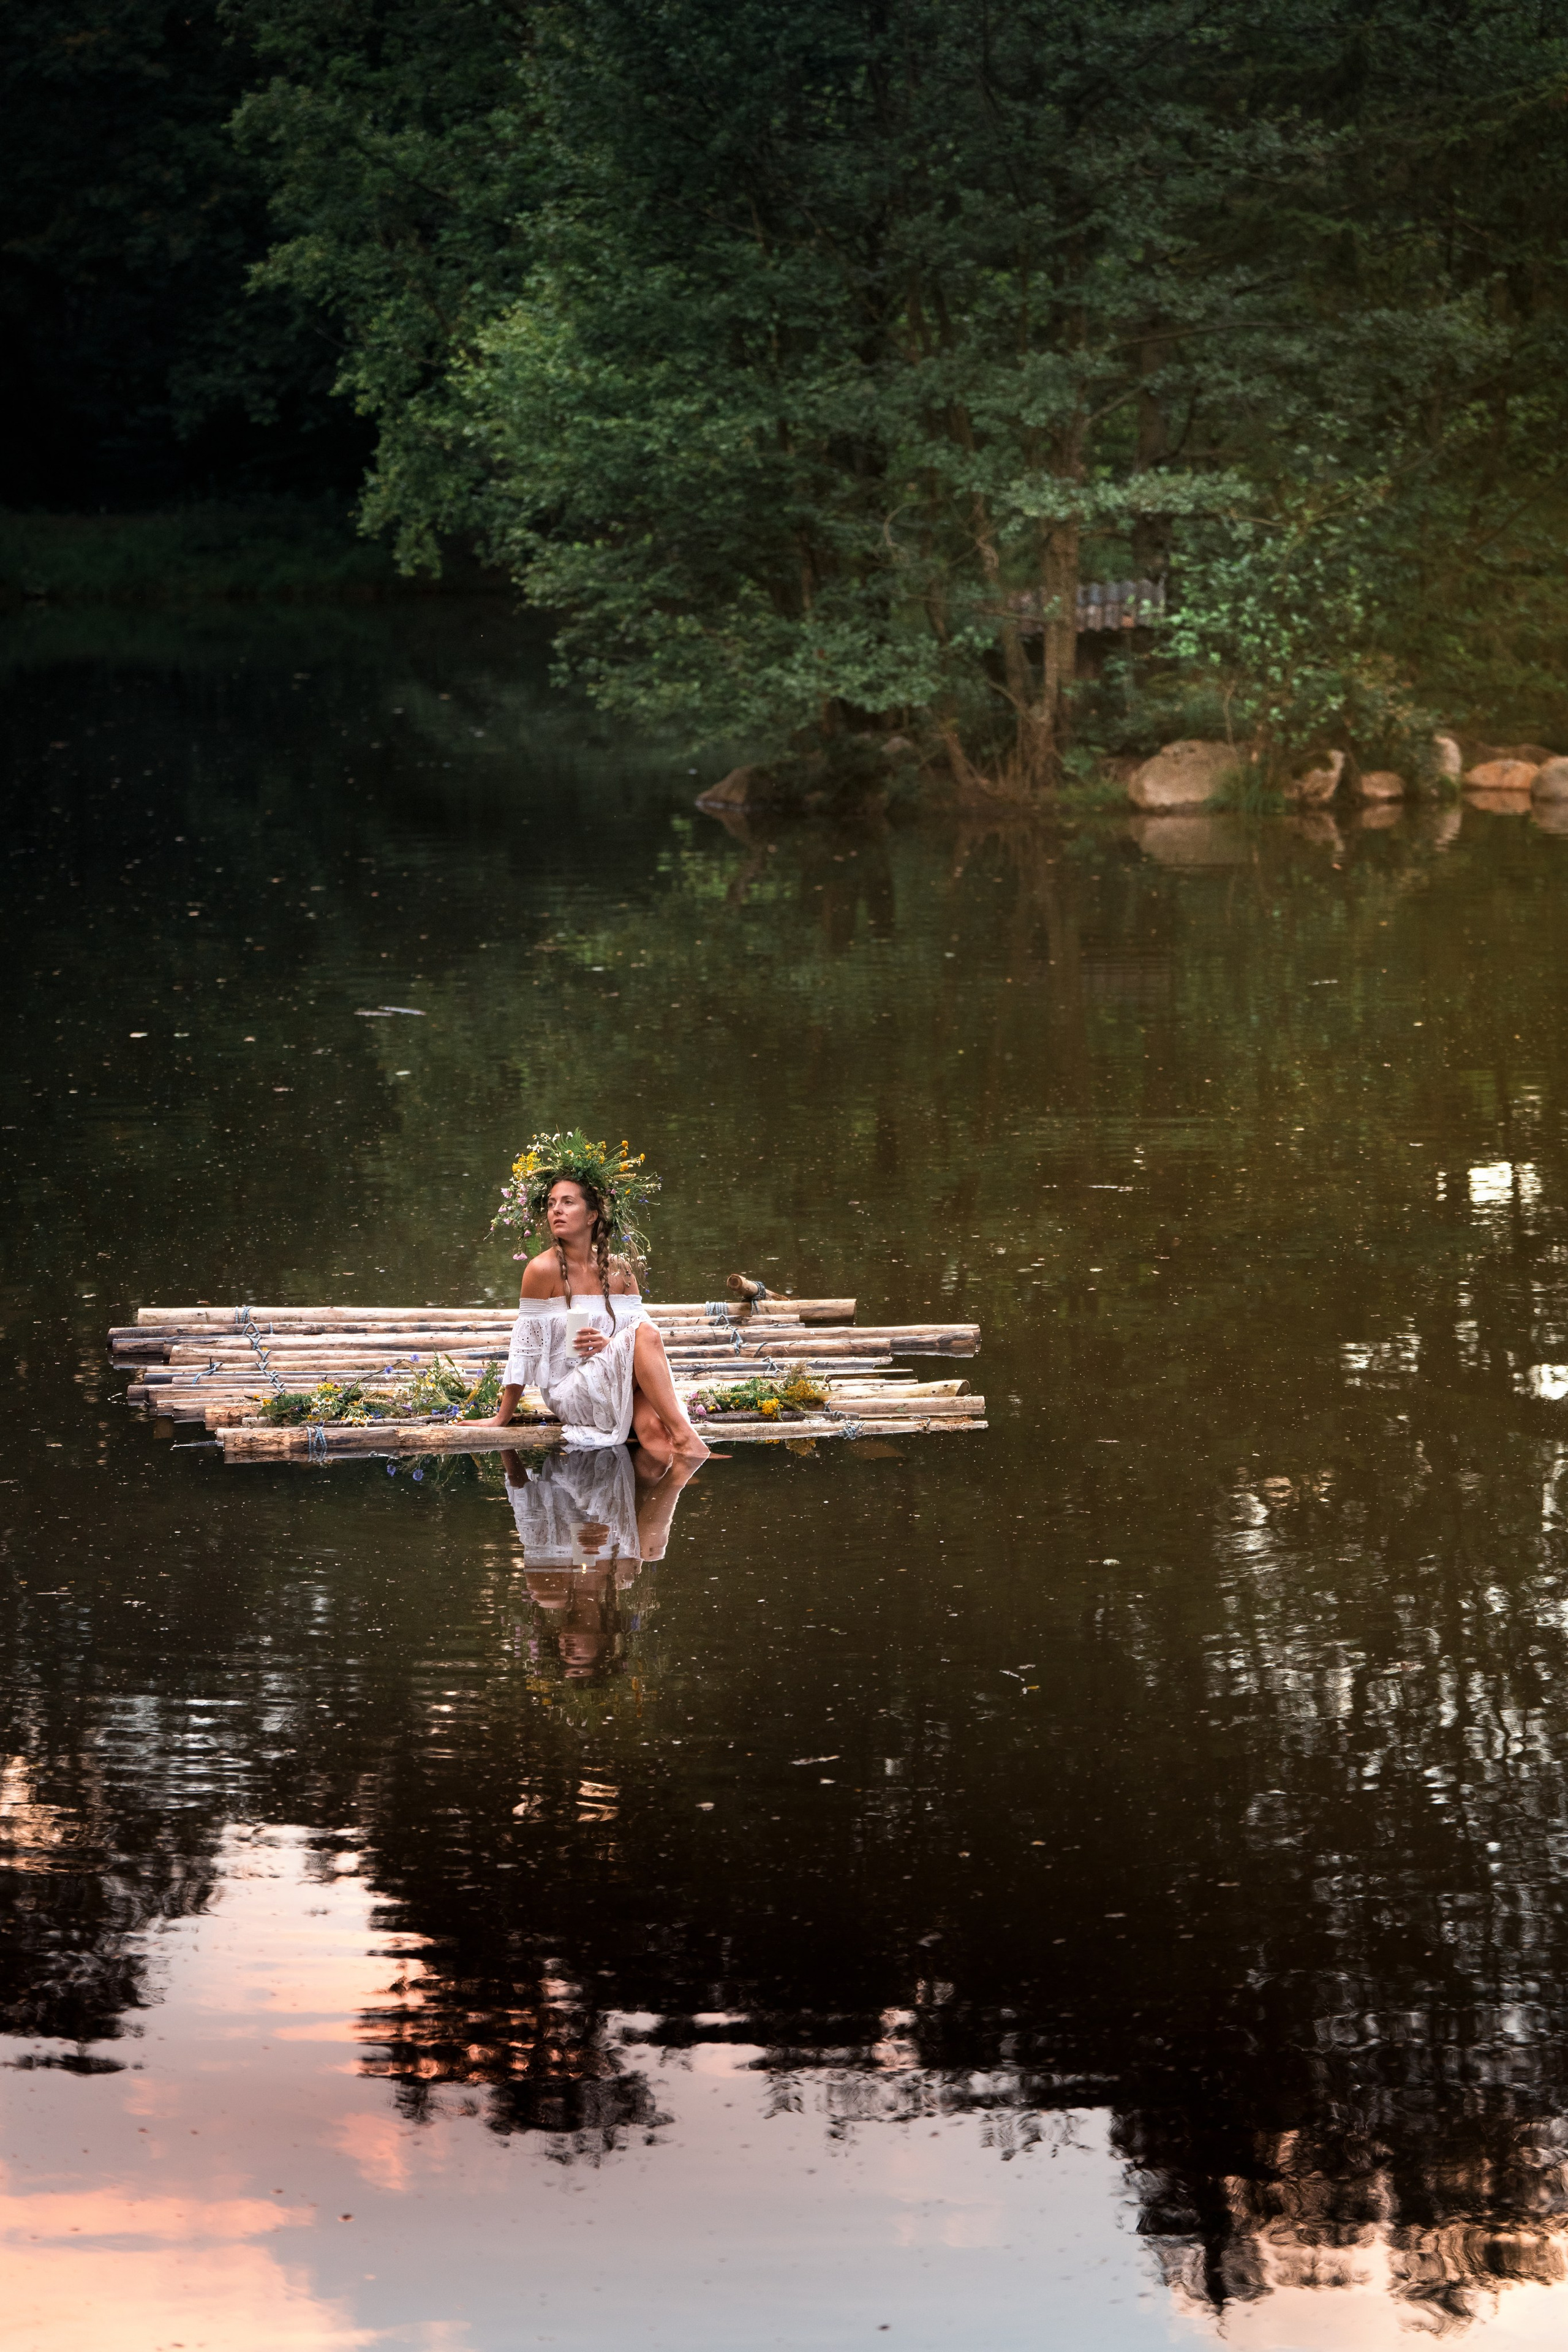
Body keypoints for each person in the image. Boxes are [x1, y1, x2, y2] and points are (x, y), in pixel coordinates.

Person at [490, 1129, 710, 1461]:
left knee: (653, 1429)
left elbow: (642, 1346)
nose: (556, 1211)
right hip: (572, 1391)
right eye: (551, 1204)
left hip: (619, 1378)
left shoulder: (620, 1270)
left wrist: (611, 1345)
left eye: (567, 1202)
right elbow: (524, 1348)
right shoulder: (541, 1270)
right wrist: (501, 1417)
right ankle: (692, 1444)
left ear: (592, 1216)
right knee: (648, 1333)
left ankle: (680, 1471)